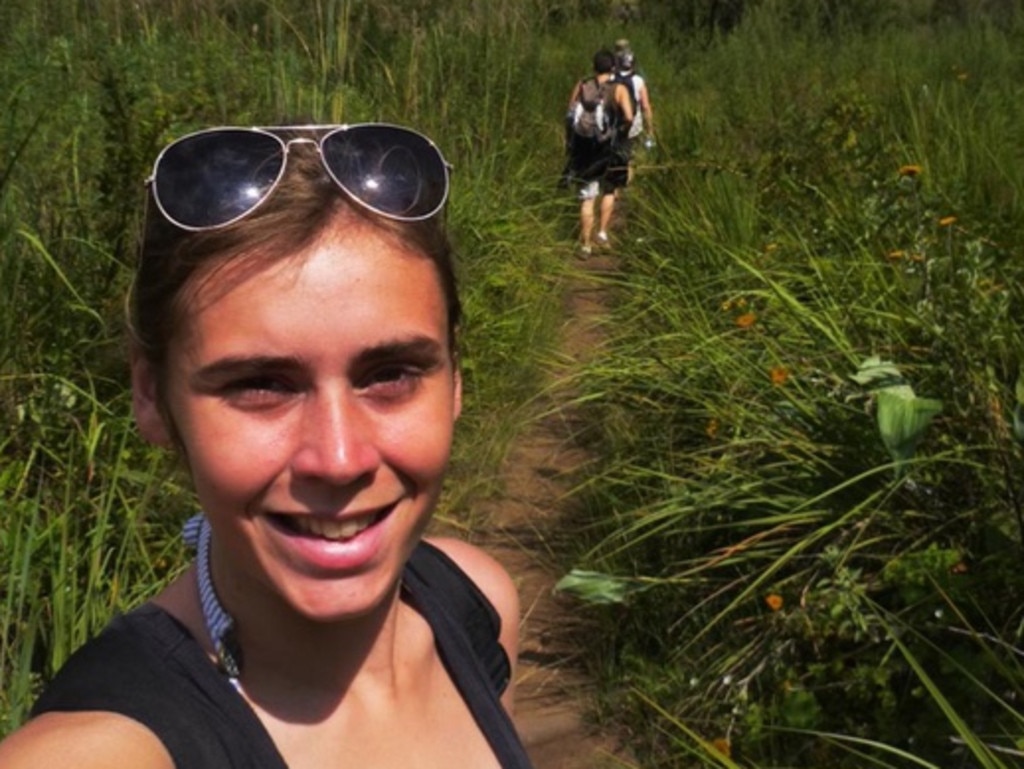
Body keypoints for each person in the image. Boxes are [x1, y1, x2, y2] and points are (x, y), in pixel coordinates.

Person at [0, 123, 534, 768]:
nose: (339, 458)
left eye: (390, 375)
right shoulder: (109, 746)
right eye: (260, 385)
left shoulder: (476, 602)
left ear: (456, 380)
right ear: (151, 397)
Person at [565, 49, 633, 255]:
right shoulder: (618, 89)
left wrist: (570, 142)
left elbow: (569, 114)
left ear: (594, 66)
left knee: (587, 197)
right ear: (613, 67)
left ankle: (585, 245)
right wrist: (621, 131)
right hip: (609, 148)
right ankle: (602, 233)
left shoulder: (582, 85)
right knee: (609, 190)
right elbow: (629, 117)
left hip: (585, 148)